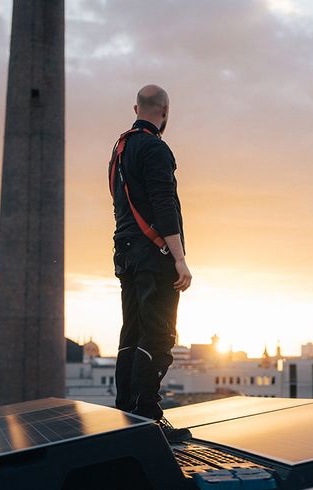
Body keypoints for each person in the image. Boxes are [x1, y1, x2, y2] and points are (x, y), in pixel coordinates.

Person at [109, 85, 192, 441]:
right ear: (166, 110)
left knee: (132, 331)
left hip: (125, 251)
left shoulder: (120, 147)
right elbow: (163, 203)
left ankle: (126, 409)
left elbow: (119, 202)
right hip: (153, 254)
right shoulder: (156, 149)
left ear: (136, 108)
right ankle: (148, 416)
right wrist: (179, 258)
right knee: (158, 335)